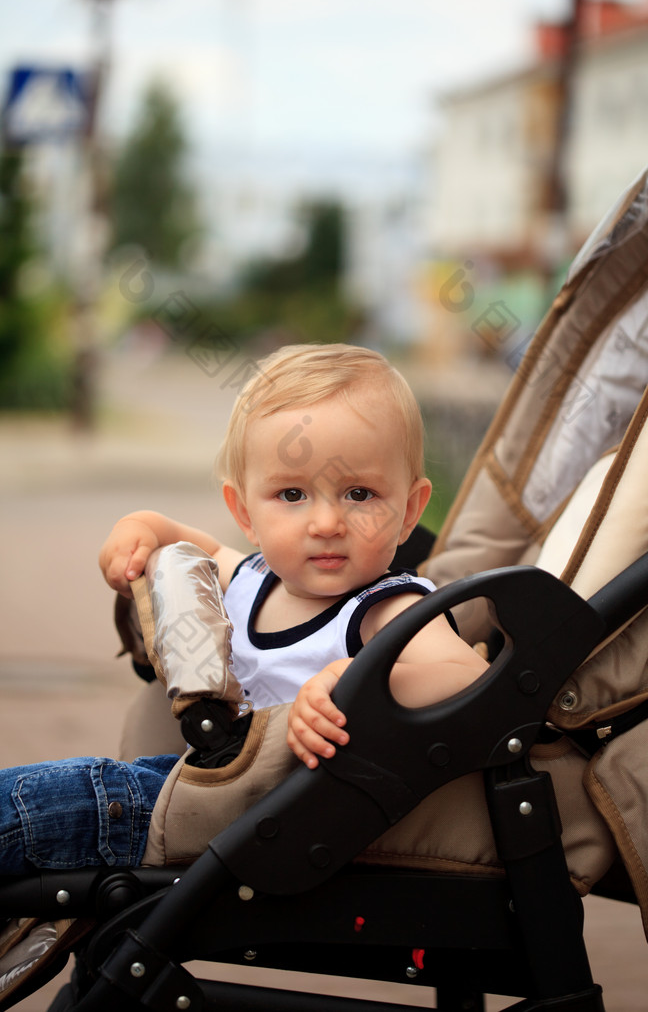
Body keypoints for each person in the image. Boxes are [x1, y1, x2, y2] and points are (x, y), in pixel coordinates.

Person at [0, 344, 487, 875]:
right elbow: (193, 544)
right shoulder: (255, 579)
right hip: (207, 795)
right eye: (293, 494)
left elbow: (470, 676)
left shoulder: (384, 608)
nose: (326, 522)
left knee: (47, 803)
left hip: (273, 821)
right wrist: (136, 531)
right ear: (244, 512)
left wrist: (356, 678)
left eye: (360, 493)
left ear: (410, 509)